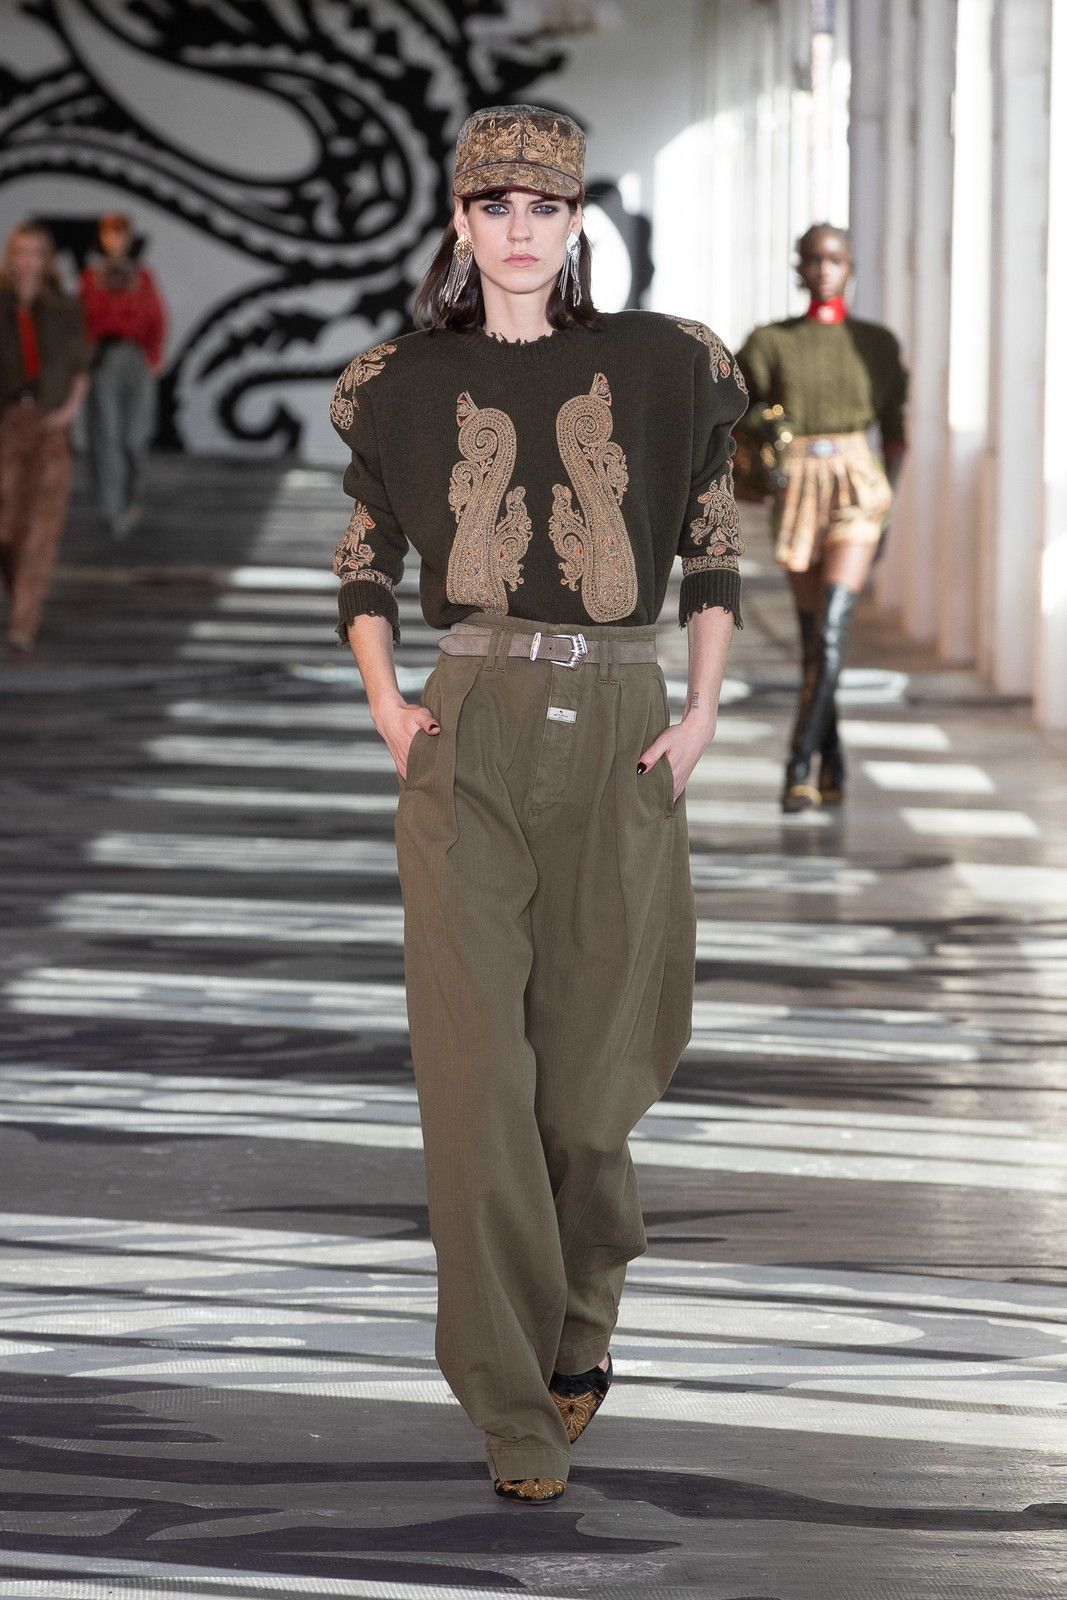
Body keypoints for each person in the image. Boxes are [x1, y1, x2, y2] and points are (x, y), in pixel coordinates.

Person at [329, 104, 747, 1503]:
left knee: (584, 1093)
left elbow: (708, 543)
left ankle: (578, 1320)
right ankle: (510, 1403)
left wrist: (699, 713)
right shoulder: (399, 382)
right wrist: (386, 704)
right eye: (494, 205)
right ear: (459, 221)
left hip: (623, 726)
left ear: (576, 226)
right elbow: (363, 557)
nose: (518, 229)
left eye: (544, 207)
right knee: (473, 1086)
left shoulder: (666, 365)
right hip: (469, 726)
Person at [737, 223, 908, 812]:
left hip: (860, 485)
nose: (824, 269)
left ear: (850, 265)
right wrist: (766, 430)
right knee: (815, 638)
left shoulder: (876, 344)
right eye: (812, 259)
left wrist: (887, 511)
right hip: (799, 487)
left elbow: (896, 435)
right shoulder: (770, 342)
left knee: (833, 628)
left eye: (834, 258)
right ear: (798, 268)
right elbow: (734, 408)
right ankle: (832, 764)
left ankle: (798, 765)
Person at [0, 222, 89, 656]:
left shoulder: (65, 309)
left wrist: (69, 411)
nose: (28, 260)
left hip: (51, 424)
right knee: (7, 529)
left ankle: (23, 621)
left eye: (36, 252)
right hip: (7, 422)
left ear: (47, 258)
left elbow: (80, 367)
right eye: (22, 251)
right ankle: (20, 598)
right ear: (11, 256)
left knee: (42, 527)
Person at [80, 211, 166, 538]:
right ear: (102, 238)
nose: (116, 240)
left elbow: (156, 317)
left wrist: (154, 355)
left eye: (121, 234)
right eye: (110, 234)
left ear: (130, 239)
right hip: (104, 358)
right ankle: (111, 510)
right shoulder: (91, 277)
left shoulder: (142, 276)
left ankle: (131, 499)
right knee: (107, 436)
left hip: (136, 358)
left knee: (134, 436)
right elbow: (83, 320)